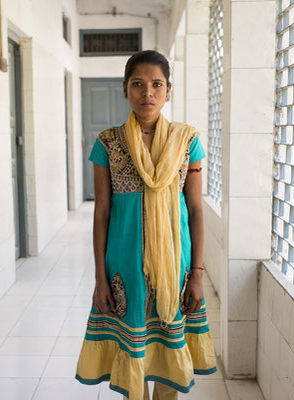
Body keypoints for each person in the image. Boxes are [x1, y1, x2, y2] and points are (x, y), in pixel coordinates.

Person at [75, 50, 216, 400]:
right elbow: (102, 212)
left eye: (156, 85)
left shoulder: (187, 142)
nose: (147, 93)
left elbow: (196, 210)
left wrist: (197, 273)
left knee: (168, 354)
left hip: (175, 265)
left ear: (168, 90)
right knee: (133, 356)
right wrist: (99, 278)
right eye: (138, 84)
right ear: (125, 89)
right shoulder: (108, 143)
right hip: (125, 268)